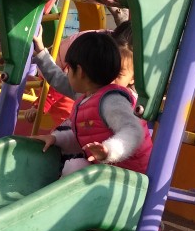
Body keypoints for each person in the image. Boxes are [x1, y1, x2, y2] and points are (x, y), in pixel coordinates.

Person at [32, 30, 152, 175]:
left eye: (118, 74)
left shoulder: (113, 100)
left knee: (74, 167)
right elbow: (84, 136)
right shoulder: (89, 94)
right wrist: (56, 139)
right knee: (74, 165)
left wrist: (109, 150)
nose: (111, 79)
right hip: (109, 167)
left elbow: (133, 131)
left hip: (130, 174)